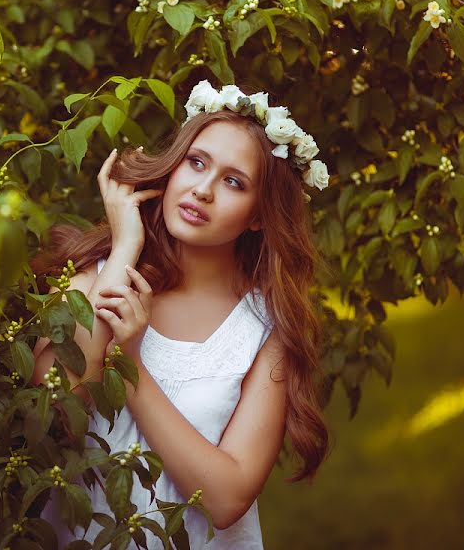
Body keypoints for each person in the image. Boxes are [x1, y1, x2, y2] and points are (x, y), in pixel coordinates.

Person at [30, 80, 331, 548]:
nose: (203, 190)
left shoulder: (266, 330)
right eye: (196, 163)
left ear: (258, 215)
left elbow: (227, 499)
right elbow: (52, 414)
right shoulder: (93, 274)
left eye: (234, 181)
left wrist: (130, 368)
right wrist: (125, 247)